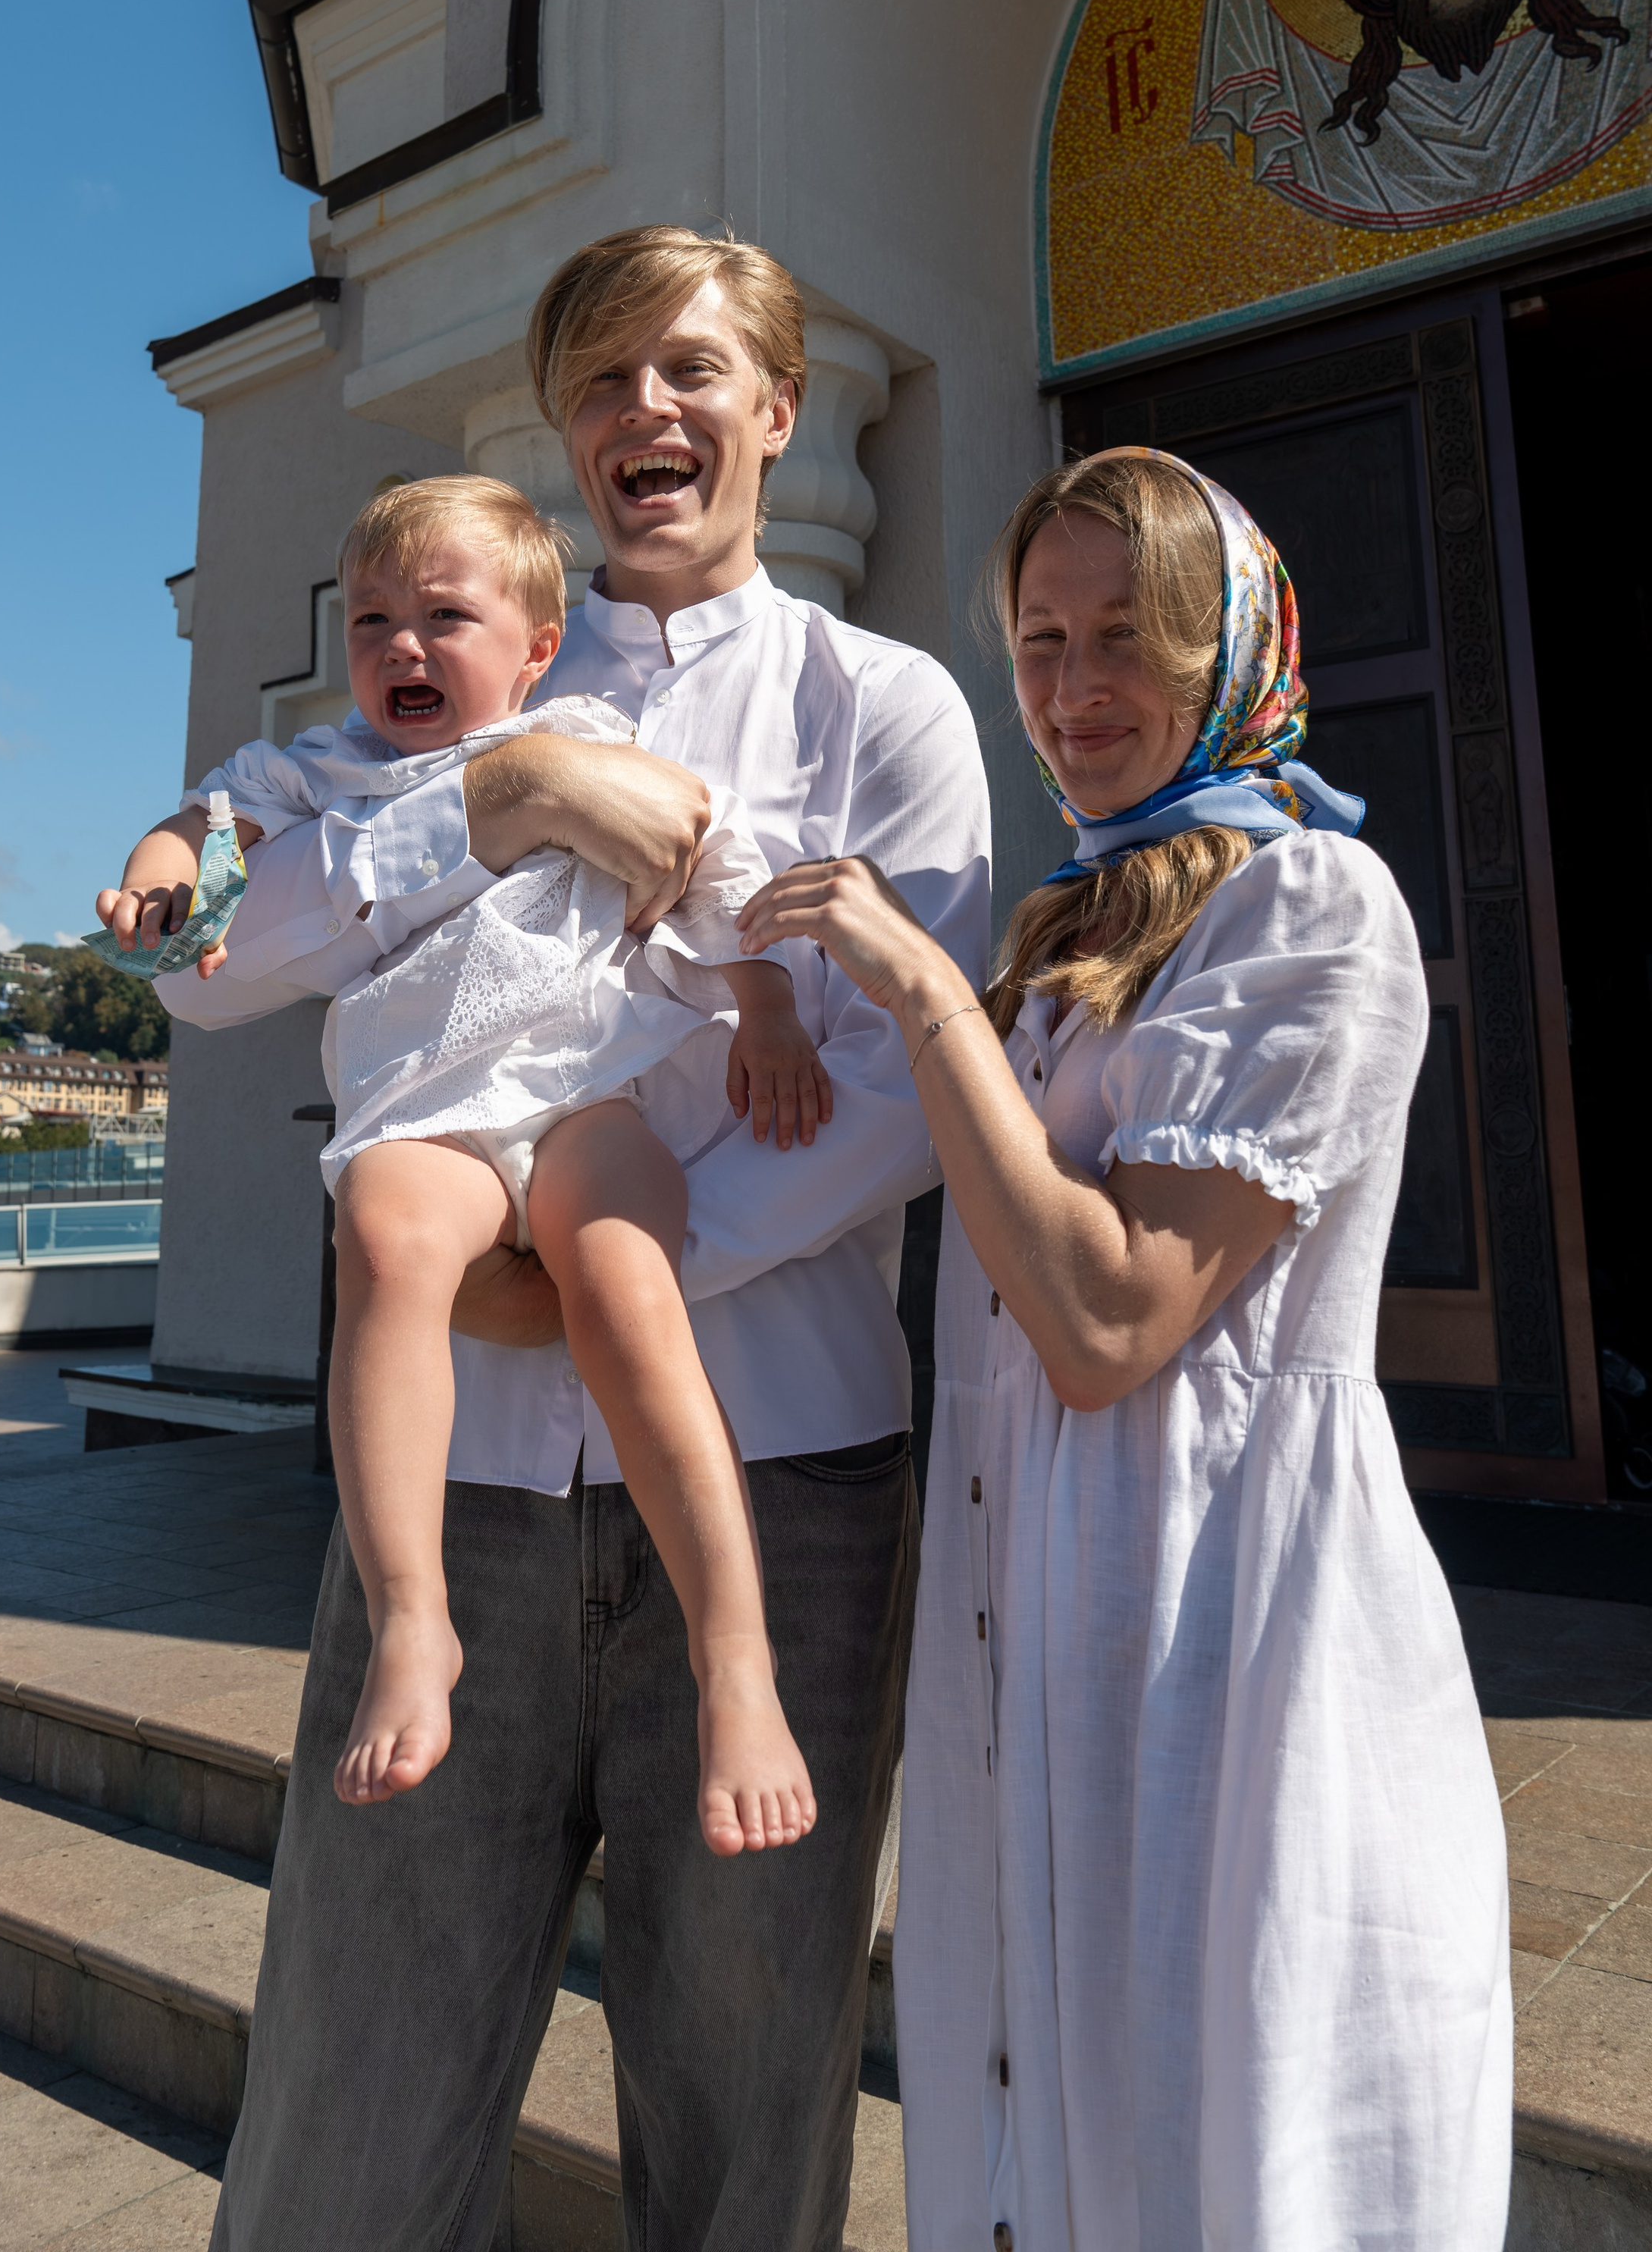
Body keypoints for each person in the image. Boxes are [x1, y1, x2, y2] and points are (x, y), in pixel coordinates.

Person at [144, 227, 991, 2252]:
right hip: (456, 1503)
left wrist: (574, 1284)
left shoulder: (887, 705)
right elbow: (203, 974)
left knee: (747, 2103)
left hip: (776, 1490)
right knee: (355, 2101)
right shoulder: (457, 671)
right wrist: (502, 791)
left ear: (778, 413)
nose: (648, 416)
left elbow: (898, 1095)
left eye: (693, 372)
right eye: (604, 380)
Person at [738, 448, 1513, 2250]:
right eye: (1038, 642)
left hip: (1219, 1623)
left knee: (1210, 2130)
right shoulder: (1076, 929)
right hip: (1042, 1615)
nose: (1073, 693)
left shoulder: (1306, 907)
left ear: (1229, 650)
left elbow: (1104, 1322)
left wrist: (923, 992)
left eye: (1124, 641)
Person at [102, 472, 826, 1855]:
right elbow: (209, 822)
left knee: (625, 1288)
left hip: (582, 1091)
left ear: (536, 645)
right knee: (380, 1240)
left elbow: (711, 863)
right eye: (372, 620)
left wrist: (770, 1002)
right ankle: (413, 1619)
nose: (402, 647)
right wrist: (161, 871)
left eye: (445, 615)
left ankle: (736, 1658)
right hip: (428, 1106)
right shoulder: (326, 770)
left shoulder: (590, 734)